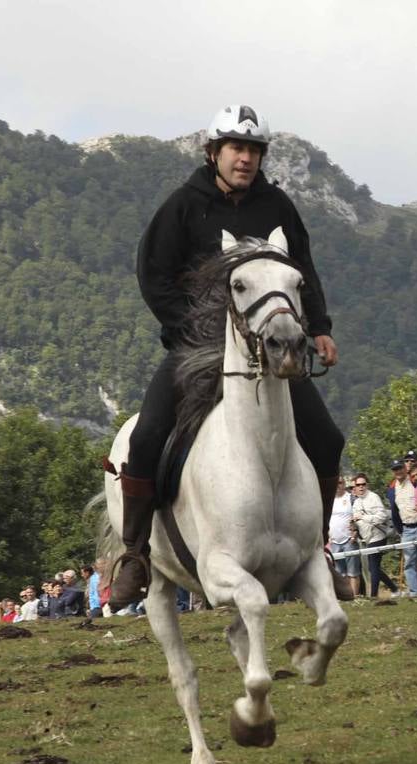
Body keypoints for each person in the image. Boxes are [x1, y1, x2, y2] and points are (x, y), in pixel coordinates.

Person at [116, 103, 348, 612]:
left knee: (327, 439)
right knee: (148, 433)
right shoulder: (183, 205)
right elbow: (153, 274)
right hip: (195, 346)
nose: (245, 159)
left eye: (253, 151)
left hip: (268, 347)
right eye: (236, 149)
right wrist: (190, 328)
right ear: (214, 152)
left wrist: (320, 328)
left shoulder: (278, 207)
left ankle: (318, 548)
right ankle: (133, 554)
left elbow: (301, 268)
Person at [349, 474, 393, 597]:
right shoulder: (356, 502)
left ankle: (373, 595)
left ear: (367, 485)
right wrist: (353, 526)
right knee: (373, 568)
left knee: (373, 566)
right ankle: (394, 588)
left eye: (363, 484)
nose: (361, 487)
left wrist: (364, 517)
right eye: (358, 485)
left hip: (378, 535)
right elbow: (357, 522)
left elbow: (382, 516)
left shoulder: (374, 497)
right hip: (366, 538)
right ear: (355, 487)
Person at [393, 461, 417, 597]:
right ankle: (414, 592)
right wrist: (399, 529)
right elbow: (394, 511)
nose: (398, 472)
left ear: (404, 469)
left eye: (400, 468)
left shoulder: (413, 482)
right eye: (395, 470)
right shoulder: (393, 487)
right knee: (409, 563)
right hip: (406, 529)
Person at [328, 475, 361, 596]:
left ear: (344, 484)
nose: (338, 485)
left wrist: (356, 531)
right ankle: (345, 597)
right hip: (334, 541)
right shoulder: (329, 499)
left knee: (353, 572)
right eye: (335, 483)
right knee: (340, 574)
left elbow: (359, 515)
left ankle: (355, 597)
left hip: (349, 540)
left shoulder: (351, 498)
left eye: (340, 483)